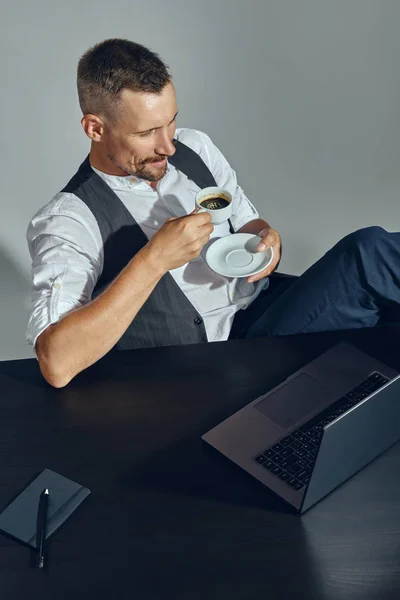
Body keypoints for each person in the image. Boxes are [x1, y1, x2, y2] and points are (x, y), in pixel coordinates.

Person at [26, 38, 400, 388]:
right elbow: (57, 364)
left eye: (170, 120)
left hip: (271, 306)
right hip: (221, 359)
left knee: (373, 262)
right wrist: (154, 259)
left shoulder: (194, 147)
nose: (168, 145)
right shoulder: (69, 219)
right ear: (95, 128)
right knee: (370, 259)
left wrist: (266, 237)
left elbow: (249, 222)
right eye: (147, 133)